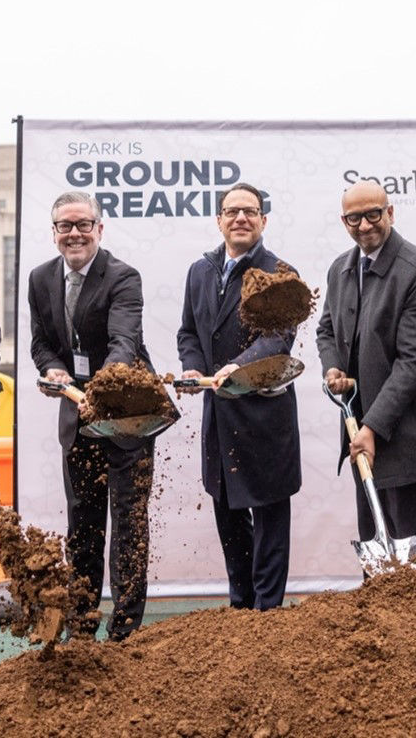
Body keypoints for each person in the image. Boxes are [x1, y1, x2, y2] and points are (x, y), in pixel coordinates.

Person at [29, 190, 170, 641]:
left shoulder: (123, 277)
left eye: (83, 224)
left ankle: (125, 631)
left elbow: (123, 341)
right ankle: (83, 625)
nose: (75, 234)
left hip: (127, 419)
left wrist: (103, 390)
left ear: (99, 228)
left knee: (128, 524)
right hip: (78, 421)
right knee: (83, 525)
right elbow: (41, 342)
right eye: (65, 226)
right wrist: (50, 367)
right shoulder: (39, 278)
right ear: (53, 233)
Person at [316, 180, 416, 571]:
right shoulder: (341, 269)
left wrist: (372, 428)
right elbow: (326, 329)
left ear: (390, 213)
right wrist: (333, 368)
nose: (364, 225)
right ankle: (380, 630)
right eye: (354, 218)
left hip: (411, 435)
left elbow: (415, 361)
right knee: (376, 550)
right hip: (361, 431)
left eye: (373, 214)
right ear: (343, 221)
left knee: (414, 557)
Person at [177, 182, 302, 610]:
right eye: (232, 211)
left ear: (263, 220)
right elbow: (189, 331)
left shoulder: (280, 272)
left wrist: (240, 366)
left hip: (265, 414)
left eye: (250, 211)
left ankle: (267, 612)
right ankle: (241, 604)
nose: (240, 218)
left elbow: (278, 338)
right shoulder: (200, 270)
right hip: (219, 413)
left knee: (268, 513)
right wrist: (194, 366)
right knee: (228, 510)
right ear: (219, 220)